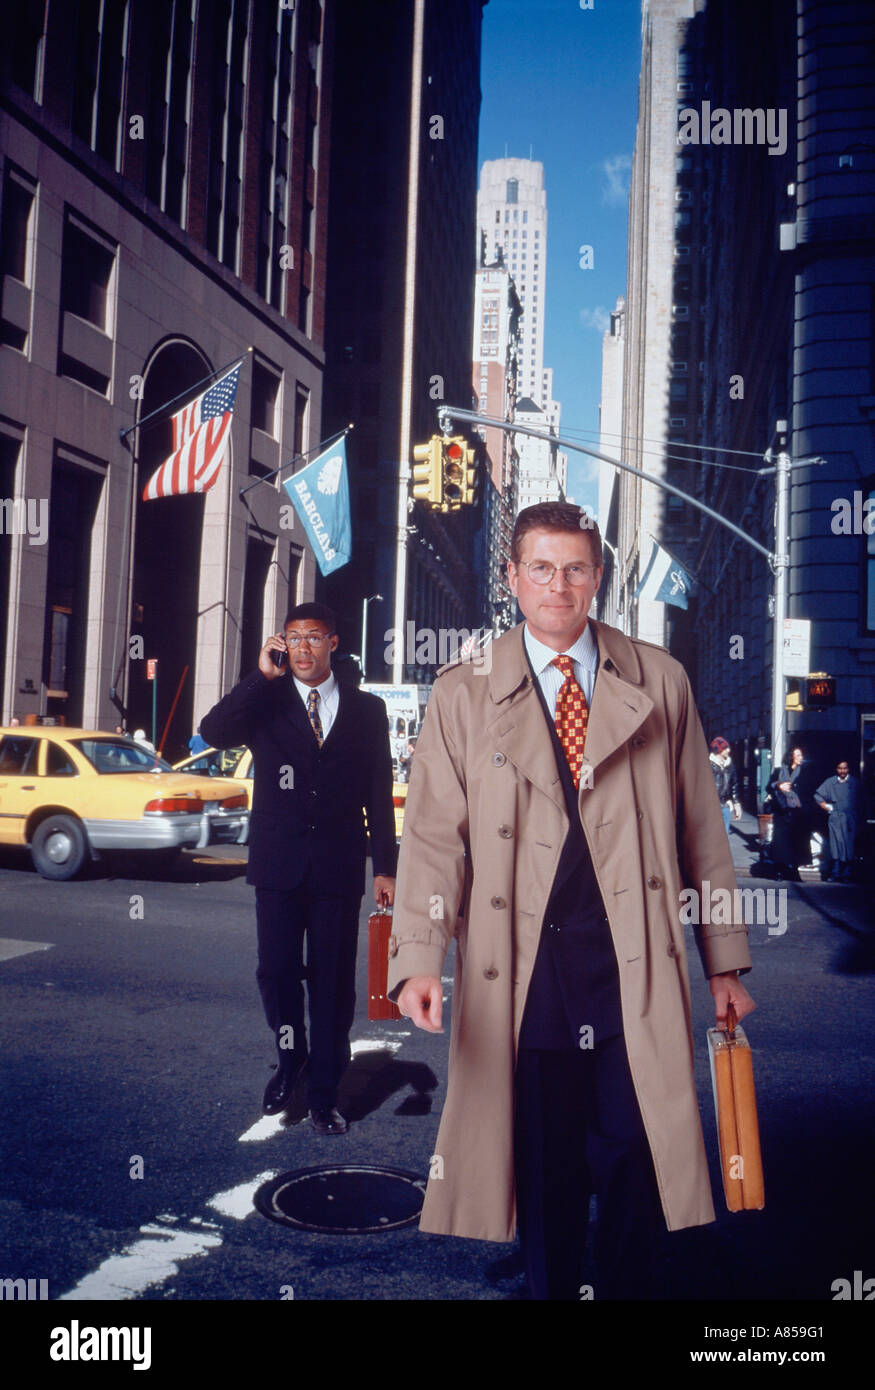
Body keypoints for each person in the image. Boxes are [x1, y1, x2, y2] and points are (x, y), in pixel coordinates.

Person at [388, 502, 754, 1301]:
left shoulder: (660, 680)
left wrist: (724, 962)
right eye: (542, 569)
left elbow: (702, 829)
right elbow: (432, 843)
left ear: (597, 579)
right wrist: (417, 959)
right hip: (524, 974)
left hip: (633, 968)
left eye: (576, 568)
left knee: (635, 1157)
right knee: (545, 1169)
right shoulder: (462, 692)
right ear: (513, 579)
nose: (559, 585)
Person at [200, 602, 396, 1135]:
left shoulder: (367, 711)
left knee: (332, 983)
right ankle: (292, 1061)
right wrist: (259, 675)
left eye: (313, 637)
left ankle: (325, 1094)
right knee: (278, 973)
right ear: (282, 644)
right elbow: (213, 731)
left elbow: (379, 793)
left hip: (337, 866)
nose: (303, 647)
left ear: (333, 642)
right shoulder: (266, 703)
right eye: (293, 638)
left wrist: (385, 866)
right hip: (277, 863)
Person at [767, 746, 814, 879]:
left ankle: (794, 871)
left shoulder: (804, 772)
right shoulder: (779, 771)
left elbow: (808, 791)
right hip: (782, 812)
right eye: (798, 755)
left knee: (797, 843)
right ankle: (779, 871)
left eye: (801, 755)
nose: (801, 758)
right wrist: (778, 785)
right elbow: (768, 786)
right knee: (781, 844)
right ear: (791, 757)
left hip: (798, 814)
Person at [814, 760, 864, 882]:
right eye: (840, 768)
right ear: (836, 769)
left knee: (849, 846)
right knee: (835, 845)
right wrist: (824, 806)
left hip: (850, 819)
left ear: (848, 769)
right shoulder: (830, 782)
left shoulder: (855, 783)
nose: (842, 771)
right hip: (835, 818)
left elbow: (863, 802)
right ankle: (835, 873)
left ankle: (847, 873)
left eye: (845, 768)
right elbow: (817, 795)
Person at [709, 736, 740, 836]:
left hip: (724, 806)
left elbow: (734, 785)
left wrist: (736, 803)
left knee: (724, 838)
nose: (728, 750)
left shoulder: (729, 765)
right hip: (710, 807)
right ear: (719, 750)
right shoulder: (707, 764)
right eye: (725, 748)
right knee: (711, 838)